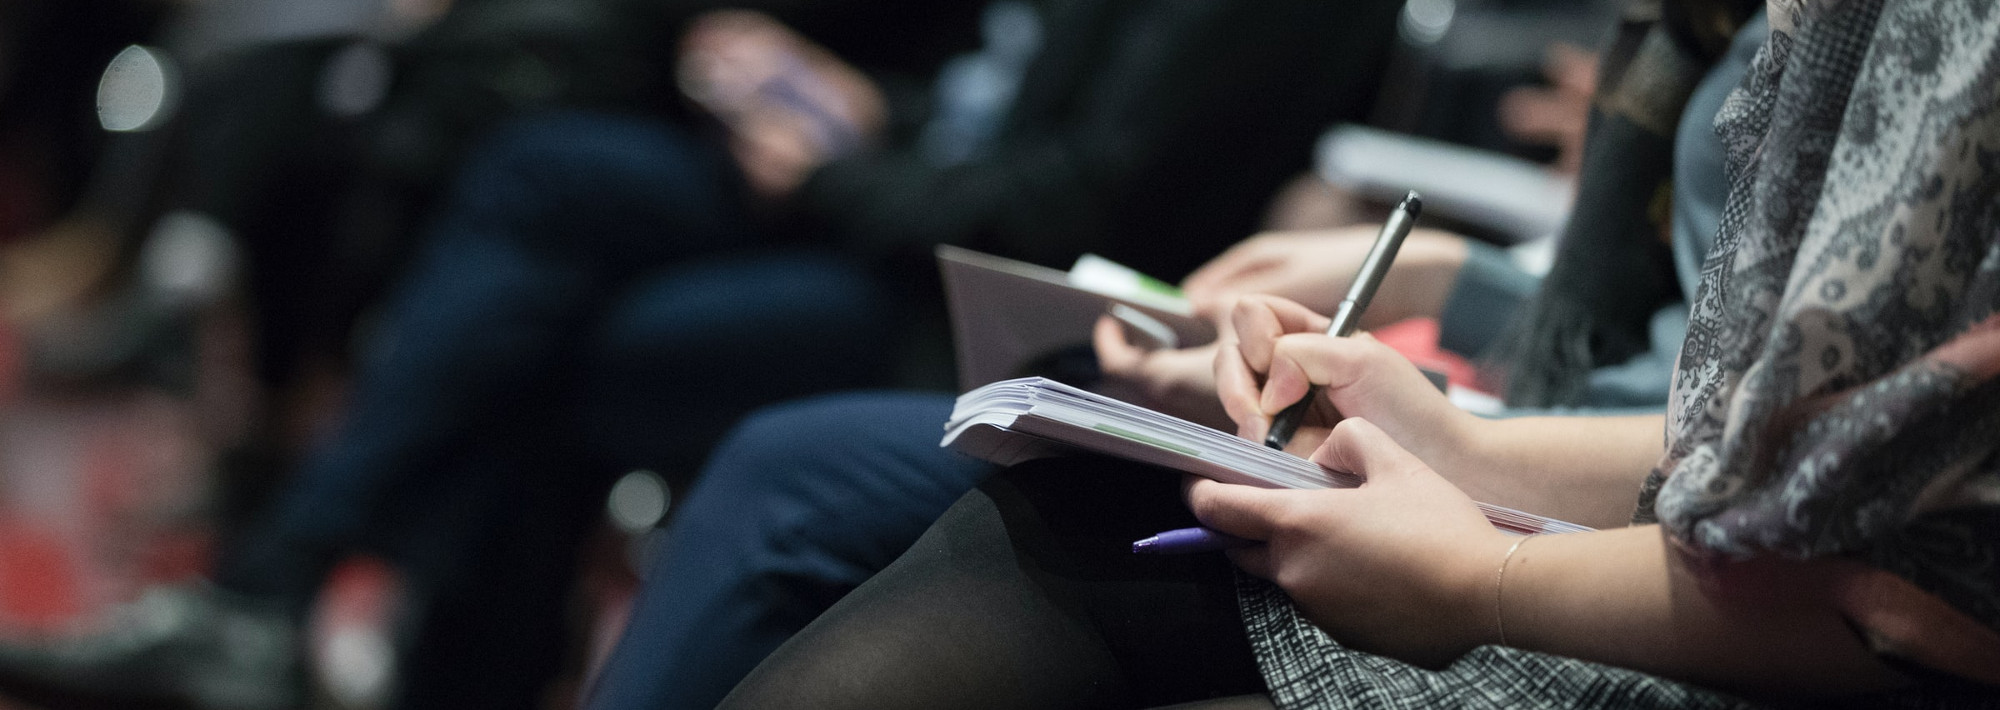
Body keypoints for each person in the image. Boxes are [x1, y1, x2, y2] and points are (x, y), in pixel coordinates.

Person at [702, 0, 2000, 706]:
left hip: (1698, 603)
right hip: (1609, 480)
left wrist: (1485, 567)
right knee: (966, 495)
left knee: (866, 485)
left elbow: (1893, 573)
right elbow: (1739, 399)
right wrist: (1457, 423)